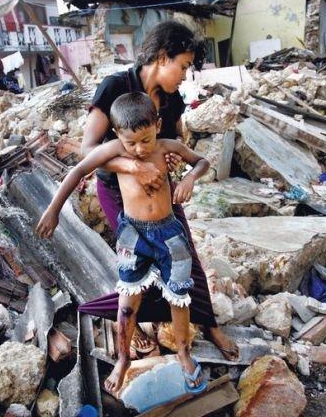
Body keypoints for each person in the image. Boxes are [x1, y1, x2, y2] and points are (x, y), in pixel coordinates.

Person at [81, 20, 239, 361]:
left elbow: (176, 142)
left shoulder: (172, 100)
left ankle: (207, 321)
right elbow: (88, 150)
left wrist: (174, 161)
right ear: (163, 57)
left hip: (160, 191)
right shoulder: (114, 87)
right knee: (136, 260)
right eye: (183, 66)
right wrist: (133, 166)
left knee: (186, 258)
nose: (185, 75)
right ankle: (126, 321)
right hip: (117, 192)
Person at [37, 92, 210, 395]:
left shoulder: (168, 146)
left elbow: (202, 161)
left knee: (179, 298)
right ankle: (123, 359)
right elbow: (78, 170)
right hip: (133, 235)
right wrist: (53, 210)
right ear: (118, 133)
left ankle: (183, 353)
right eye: (132, 143)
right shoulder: (114, 149)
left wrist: (189, 179)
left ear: (157, 125)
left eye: (146, 139)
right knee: (128, 303)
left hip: (170, 232)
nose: (140, 149)